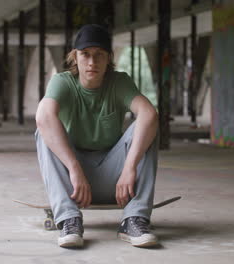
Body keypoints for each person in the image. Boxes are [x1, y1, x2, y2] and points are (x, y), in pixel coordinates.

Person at [35, 24, 159, 248]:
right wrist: (74, 168)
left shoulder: (119, 81)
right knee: (43, 128)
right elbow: (43, 116)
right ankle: (69, 220)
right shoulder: (63, 82)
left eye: (99, 55)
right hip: (74, 182)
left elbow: (149, 114)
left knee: (147, 124)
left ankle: (134, 219)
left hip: (117, 178)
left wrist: (129, 167)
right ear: (75, 57)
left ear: (109, 58)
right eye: (85, 55)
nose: (92, 62)